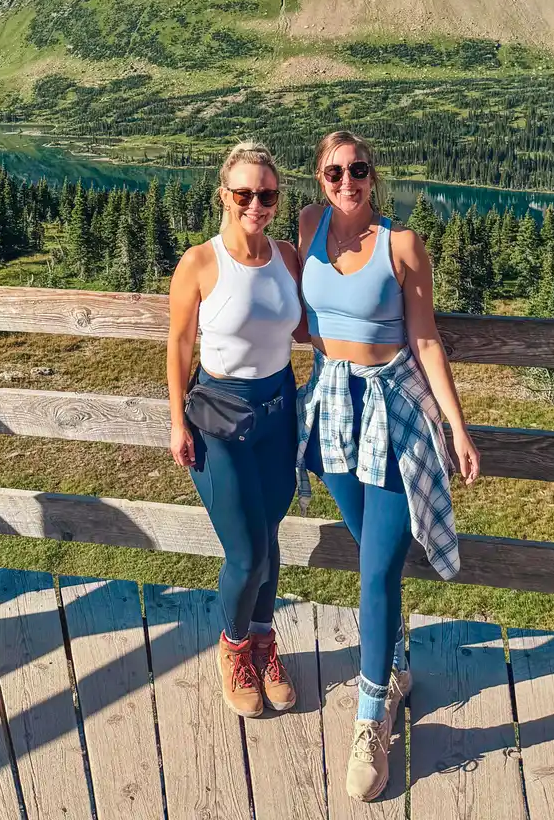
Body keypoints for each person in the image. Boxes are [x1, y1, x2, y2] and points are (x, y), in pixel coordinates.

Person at [298, 131, 480, 802]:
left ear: (374, 176)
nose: (347, 180)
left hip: (395, 411)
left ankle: (372, 715)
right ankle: (396, 665)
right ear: (319, 180)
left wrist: (457, 429)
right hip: (331, 406)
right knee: (367, 548)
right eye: (334, 171)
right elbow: (300, 308)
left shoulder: (401, 245)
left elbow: (426, 337)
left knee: (375, 568)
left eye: (358, 170)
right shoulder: (310, 225)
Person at [167, 139, 303, 718]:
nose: (257, 204)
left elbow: (303, 329)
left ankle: (266, 639)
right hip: (220, 417)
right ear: (224, 194)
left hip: (279, 411)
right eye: (245, 193)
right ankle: (233, 647)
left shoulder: (288, 256)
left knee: (270, 543)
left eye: (267, 194)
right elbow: (177, 344)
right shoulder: (200, 262)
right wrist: (177, 421)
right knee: (246, 554)